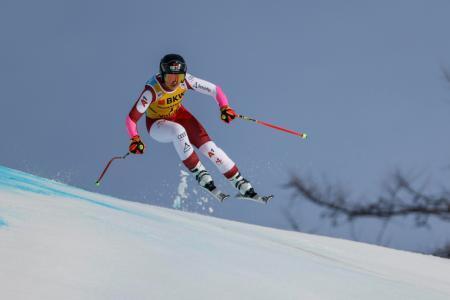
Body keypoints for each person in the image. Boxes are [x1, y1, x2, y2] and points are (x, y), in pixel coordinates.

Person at [126, 53, 261, 200]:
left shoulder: (186, 81)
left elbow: (215, 90)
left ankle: (240, 182)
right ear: (162, 75)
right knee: (178, 131)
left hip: (180, 115)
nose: (175, 81)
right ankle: (199, 173)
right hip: (157, 124)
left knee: (210, 148)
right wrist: (135, 139)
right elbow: (131, 119)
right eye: (170, 77)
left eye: (179, 77)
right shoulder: (152, 90)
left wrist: (224, 107)